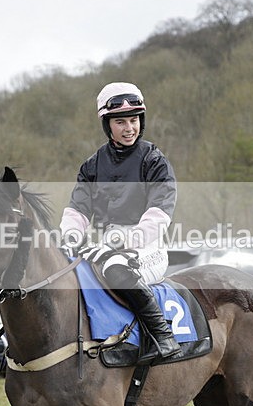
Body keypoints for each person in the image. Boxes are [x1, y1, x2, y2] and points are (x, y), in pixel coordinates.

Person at [59, 81, 180, 361]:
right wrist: (69, 238)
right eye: (121, 122)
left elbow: (159, 215)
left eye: (134, 120)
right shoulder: (92, 165)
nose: (129, 128)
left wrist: (125, 239)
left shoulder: (154, 160)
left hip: (147, 248)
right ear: (107, 124)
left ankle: (163, 336)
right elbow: (77, 211)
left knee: (115, 268)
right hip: (104, 246)